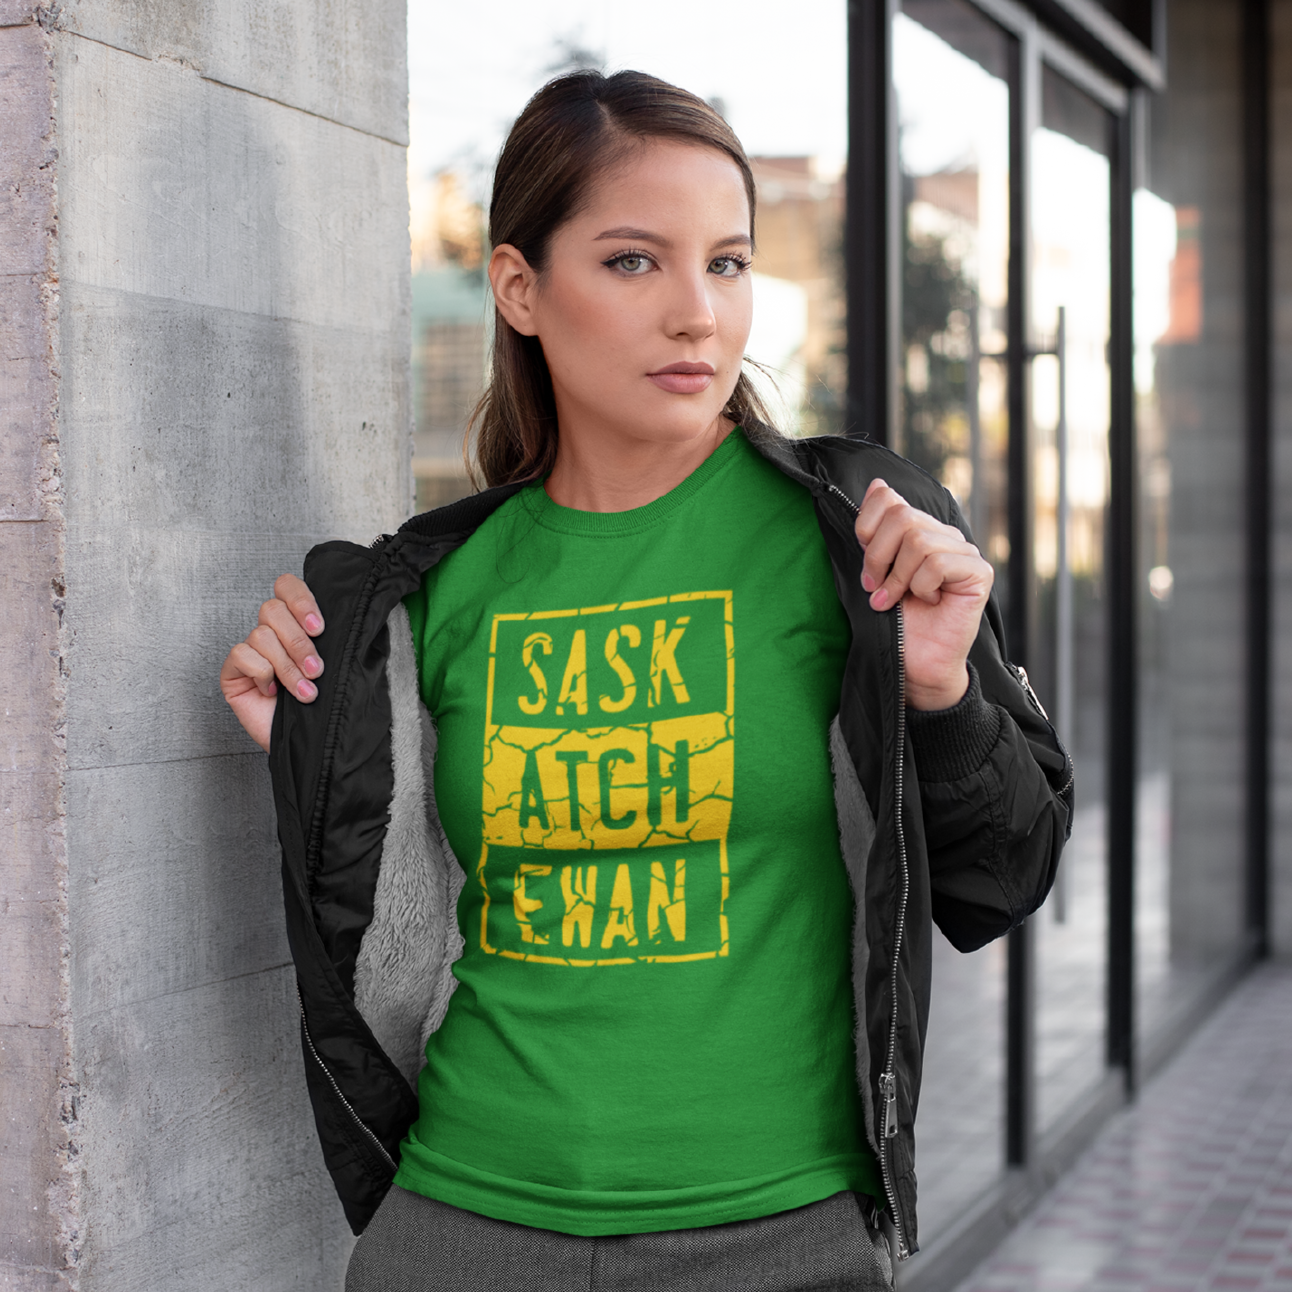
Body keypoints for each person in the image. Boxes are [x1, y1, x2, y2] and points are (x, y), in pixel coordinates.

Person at [220, 70, 1072, 1292]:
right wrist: (315, 744)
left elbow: (1004, 877)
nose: (697, 315)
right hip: (461, 1224)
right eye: (633, 261)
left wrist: (940, 694)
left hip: (781, 1235)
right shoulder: (424, 593)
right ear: (518, 288)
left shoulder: (855, 533)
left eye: (725, 263)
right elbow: (399, 912)